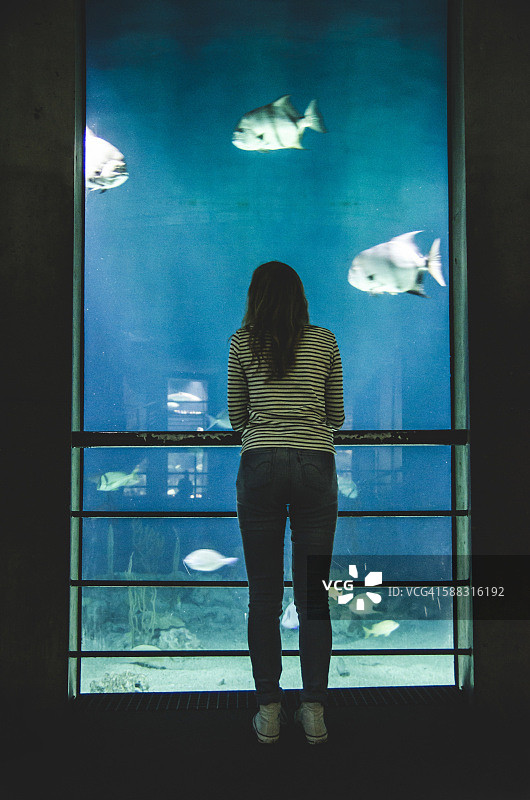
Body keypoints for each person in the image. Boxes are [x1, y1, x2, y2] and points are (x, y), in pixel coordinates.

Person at [227, 261, 345, 744]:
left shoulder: (241, 342)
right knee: (313, 597)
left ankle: (269, 712)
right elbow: (336, 415)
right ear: (301, 298)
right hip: (315, 463)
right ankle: (313, 711)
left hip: (259, 465)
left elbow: (237, 417)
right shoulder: (325, 341)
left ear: (255, 298)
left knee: (263, 598)